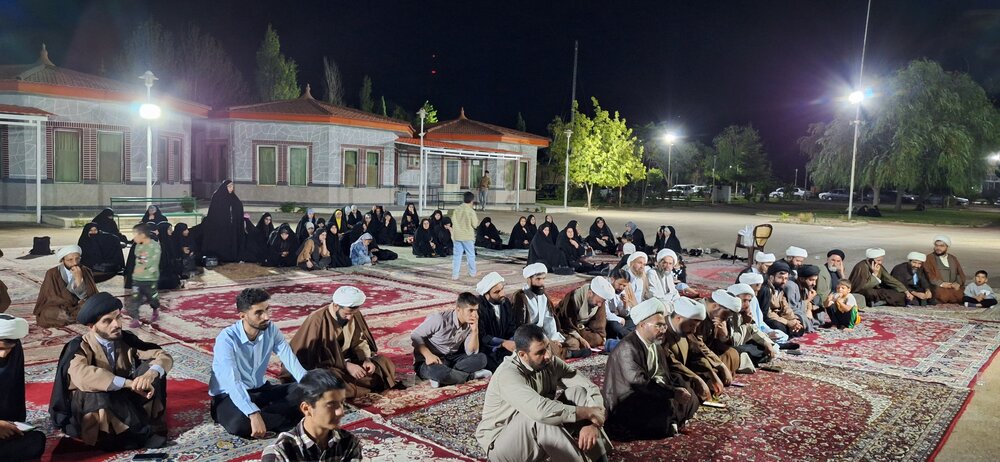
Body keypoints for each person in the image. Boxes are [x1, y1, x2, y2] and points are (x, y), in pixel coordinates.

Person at [50, 292, 171, 450]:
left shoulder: (125, 339)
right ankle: (128, 434)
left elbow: (162, 355)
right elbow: (82, 375)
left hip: (122, 397)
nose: (116, 325)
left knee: (154, 369)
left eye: (118, 317)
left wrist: (149, 375)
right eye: (107, 321)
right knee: (97, 393)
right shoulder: (79, 347)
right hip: (93, 402)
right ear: (92, 326)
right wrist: (129, 384)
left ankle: (138, 428)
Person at [475, 324, 611, 462]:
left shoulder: (549, 362)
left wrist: (594, 422)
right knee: (540, 418)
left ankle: (601, 459)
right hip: (502, 445)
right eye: (540, 352)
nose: (548, 355)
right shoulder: (507, 374)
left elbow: (588, 387)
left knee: (578, 392)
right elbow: (540, 412)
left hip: (537, 435)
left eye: (547, 347)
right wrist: (587, 412)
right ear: (522, 355)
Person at [209, 288, 308, 438]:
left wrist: (312, 386)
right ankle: (287, 417)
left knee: (309, 387)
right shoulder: (226, 339)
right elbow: (232, 382)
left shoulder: (270, 329)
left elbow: (290, 360)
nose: (266, 316)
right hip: (229, 396)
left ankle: (273, 418)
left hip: (261, 391)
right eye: (259, 313)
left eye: (267, 309)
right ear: (243, 316)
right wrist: (253, 413)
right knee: (240, 423)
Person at [602, 298, 699, 441]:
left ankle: (672, 420)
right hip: (627, 400)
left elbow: (662, 372)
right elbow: (639, 383)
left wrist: (672, 388)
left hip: (650, 389)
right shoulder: (627, 348)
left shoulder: (655, 343)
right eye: (658, 326)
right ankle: (670, 422)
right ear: (642, 325)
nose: (663, 330)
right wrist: (672, 392)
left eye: (664, 326)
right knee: (664, 406)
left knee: (685, 385)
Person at [284, 286, 397, 398]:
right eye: (346, 314)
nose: (350, 317)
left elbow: (359, 341)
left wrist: (366, 360)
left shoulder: (354, 314)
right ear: (336, 306)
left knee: (383, 362)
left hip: (345, 361)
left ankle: (349, 389)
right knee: (328, 380)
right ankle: (350, 388)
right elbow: (314, 358)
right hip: (324, 366)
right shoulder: (317, 320)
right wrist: (346, 365)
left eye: (353, 313)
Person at [261, 369, 361, 462]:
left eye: (342, 403)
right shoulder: (280, 452)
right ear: (306, 408)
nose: (341, 412)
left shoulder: (349, 443)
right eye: (331, 404)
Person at [410, 292, 491, 387]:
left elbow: (471, 352)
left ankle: (448, 375)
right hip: (429, 360)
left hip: (451, 358)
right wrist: (428, 355)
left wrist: (475, 331)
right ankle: (471, 376)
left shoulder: (470, 323)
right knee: (438, 372)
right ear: (458, 309)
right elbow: (415, 335)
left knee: (482, 359)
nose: (475, 315)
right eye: (471, 310)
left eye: (476, 310)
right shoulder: (440, 319)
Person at [510, 263, 590, 359]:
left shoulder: (543, 296)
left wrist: (553, 338)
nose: (541, 283)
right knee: (546, 346)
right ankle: (568, 354)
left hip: (543, 332)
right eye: (538, 279)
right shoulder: (521, 297)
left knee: (573, 343)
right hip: (530, 335)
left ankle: (561, 351)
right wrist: (547, 340)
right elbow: (521, 327)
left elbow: (549, 319)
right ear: (529, 280)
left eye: (543, 279)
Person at [0, 315, 46, 460]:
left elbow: (14, 394)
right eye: (0, 348)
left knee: (36, 440)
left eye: (9, 349)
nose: (3, 354)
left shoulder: (14, 354)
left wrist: (13, 426)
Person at [660, 297, 717, 402]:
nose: (694, 330)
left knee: (706, 371)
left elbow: (697, 353)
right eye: (691, 325)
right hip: (667, 375)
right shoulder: (661, 331)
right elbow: (671, 362)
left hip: (684, 371)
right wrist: (696, 378)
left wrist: (712, 374)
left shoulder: (685, 329)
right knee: (680, 381)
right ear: (678, 318)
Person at [34, 245, 98, 328]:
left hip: (79, 305)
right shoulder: (52, 273)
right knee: (48, 313)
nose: (75, 263)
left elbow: (90, 296)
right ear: (62, 260)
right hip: (60, 306)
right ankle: (77, 318)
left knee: (92, 307)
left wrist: (78, 279)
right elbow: (48, 296)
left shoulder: (86, 271)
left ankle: (72, 318)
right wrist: (65, 303)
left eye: (77, 259)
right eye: (70, 260)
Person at [476, 273, 523, 371]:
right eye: (497, 292)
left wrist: (512, 341)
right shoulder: (478, 308)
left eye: (502, 289)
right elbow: (482, 336)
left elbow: (512, 326)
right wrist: (503, 343)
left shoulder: (505, 302)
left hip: (505, 346)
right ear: (486, 294)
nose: (502, 294)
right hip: (488, 348)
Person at [726, 283, 779, 369]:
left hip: (740, 345)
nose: (747, 304)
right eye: (744, 300)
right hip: (728, 347)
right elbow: (734, 342)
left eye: (749, 301)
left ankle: (747, 358)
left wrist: (767, 343)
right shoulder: (727, 313)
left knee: (766, 346)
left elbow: (754, 329)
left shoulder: (743, 312)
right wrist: (744, 323)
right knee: (739, 351)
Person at [555, 276, 618, 349]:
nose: (599, 305)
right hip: (567, 329)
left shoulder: (600, 302)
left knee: (597, 339)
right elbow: (566, 324)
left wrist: (602, 339)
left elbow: (599, 325)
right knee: (574, 344)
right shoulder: (573, 298)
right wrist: (580, 339)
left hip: (582, 328)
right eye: (598, 301)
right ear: (590, 293)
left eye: (602, 302)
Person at [739, 273, 795, 349]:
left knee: (781, 335)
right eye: (755, 291)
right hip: (747, 335)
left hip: (759, 332)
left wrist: (768, 331)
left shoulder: (754, 299)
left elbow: (760, 322)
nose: (756, 294)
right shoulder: (740, 300)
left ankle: (770, 343)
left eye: (758, 291)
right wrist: (764, 335)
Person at [696, 290, 742, 378]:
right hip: (695, 354)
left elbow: (717, 343)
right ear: (715, 306)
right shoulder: (697, 314)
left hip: (708, 351)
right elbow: (698, 345)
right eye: (725, 316)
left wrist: (723, 335)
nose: (725, 319)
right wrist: (721, 365)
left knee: (731, 353)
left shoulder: (716, 314)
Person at [125, 223, 162, 328]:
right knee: (135, 298)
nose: (134, 238)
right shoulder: (138, 246)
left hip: (150, 278)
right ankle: (135, 319)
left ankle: (155, 308)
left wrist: (144, 268)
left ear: (142, 235)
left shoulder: (154, 246)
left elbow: (154, 262)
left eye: (135, 235)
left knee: (152, 297)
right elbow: (139, 259)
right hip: (137, 278)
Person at [201, 180, 245, 263]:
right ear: (225, 187)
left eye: (232, 186)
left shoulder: (233, 197)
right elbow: (213, 212)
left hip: (231, 226)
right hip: (219, 226)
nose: (231, 188)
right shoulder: (217, 196)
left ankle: (230, 256)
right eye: (229, 186)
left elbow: (238, 206)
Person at [760, 261, 806, 338]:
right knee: (778, 326)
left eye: (786, 278)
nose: (784, 281)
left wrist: (793, 320)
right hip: (768, 319)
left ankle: (789, 331)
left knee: (799, 323)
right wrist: (787, 322)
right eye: (780, 278)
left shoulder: (780, 288)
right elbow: (767, 313)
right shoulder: (766, 290)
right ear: (771, 277)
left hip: (779, 317)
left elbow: (786, 307)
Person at [923, 235, 968, 304]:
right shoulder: (929, 258)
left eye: (941, 246)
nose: (938, 248)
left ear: (947, 247)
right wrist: (941, 284)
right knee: (943, 296)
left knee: (961, 296)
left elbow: (960, 273)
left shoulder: (953, 258)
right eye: (936, 245)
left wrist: (958, 283)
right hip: (938, 286)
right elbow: (928, 274)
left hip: (952, 286)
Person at [451, 191, 479, 280]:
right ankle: (472, 273)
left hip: (457, 235)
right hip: (467, 236)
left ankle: (455, 275)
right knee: (470, 255)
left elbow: (453, 221)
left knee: (457, 256)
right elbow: (475, 224)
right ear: (472, 200)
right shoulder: (471, 211)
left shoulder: (457, 209)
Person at [605, 268, 638, 341]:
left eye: (624, 286)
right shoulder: (605, 289)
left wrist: (625, 304)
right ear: (612, 279)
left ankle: (627, 335)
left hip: (618, 319)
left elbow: (623, 313)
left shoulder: (620, 291)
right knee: (614, 325)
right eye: (620, 284)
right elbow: (606, 314)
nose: (621, 288)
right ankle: (631, 338)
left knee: (633, 320)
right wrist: (619, 319)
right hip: (608, 320)